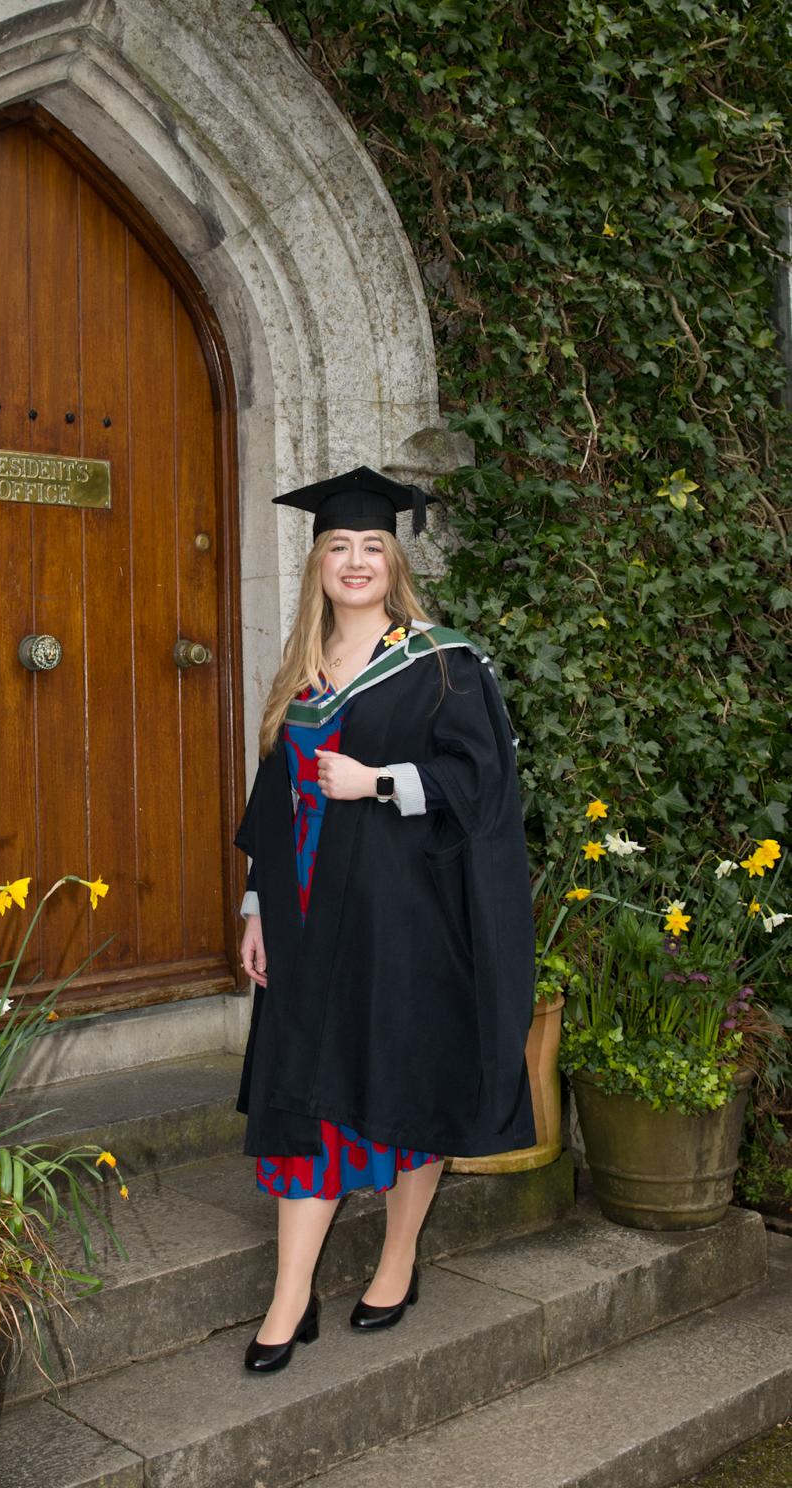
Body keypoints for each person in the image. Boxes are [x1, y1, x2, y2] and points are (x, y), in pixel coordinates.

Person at [235, 466, 535, 1374]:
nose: (354, 561)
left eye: (371, 546)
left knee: (408, 1087)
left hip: (404, 921)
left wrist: (379, 783)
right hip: (302, 919)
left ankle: (397, 1261)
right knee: (302, 1093)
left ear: (394, 560)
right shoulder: (300, 671)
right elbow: (271, 800)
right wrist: (253, 905)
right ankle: (290, 1300)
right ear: (318, 564)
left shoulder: (443, 664)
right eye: (338, 547)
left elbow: (482, 786)